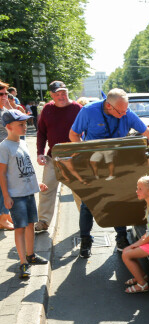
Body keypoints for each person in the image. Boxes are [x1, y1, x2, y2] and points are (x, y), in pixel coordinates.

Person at [69, 88, 149, 257]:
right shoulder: (88, 112)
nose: (124, 114)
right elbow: (73, 135)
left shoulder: (126, 113)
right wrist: (84, 155)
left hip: (118, 163)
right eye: (121, 111)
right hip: (95, 163)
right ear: (108, 106)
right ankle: (85, 240)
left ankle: (121, 237)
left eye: (126, 110)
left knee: (119, 200)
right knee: (88, 203)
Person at [0, 110, 49, 278]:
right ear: (9, 127)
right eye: (20, 124)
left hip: (28, 192)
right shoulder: (4, 146)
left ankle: (31, 255)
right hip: (16, 195)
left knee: (30, 225)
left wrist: (37, 184)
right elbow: (2, 174)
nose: (25, 126)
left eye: (25, 123)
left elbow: (27, 167)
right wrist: (6, 196)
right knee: (20, 228)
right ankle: (23, 262)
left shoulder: (23, 143)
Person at [35, 81, 83, 234]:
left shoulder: (77, 109)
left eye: (63, 93)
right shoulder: (47, 109)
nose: (61, 96)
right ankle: (43, 221)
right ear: (51, 95)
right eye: (57, 94)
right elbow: (41, 133)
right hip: (53, 157)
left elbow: (86, 130)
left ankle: (85, 219)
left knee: (79, 191)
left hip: (74, 157)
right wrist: (39, 152)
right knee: (46, 190)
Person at [0, 80, 15, 230]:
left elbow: (18, 116)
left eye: (6, 94)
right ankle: (2, 218)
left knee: (7, 185)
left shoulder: (4, 110)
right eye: (1, 94)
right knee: (2, 186)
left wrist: (8, 103)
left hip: (6, 153)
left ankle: (5, 214)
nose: (5, 96)